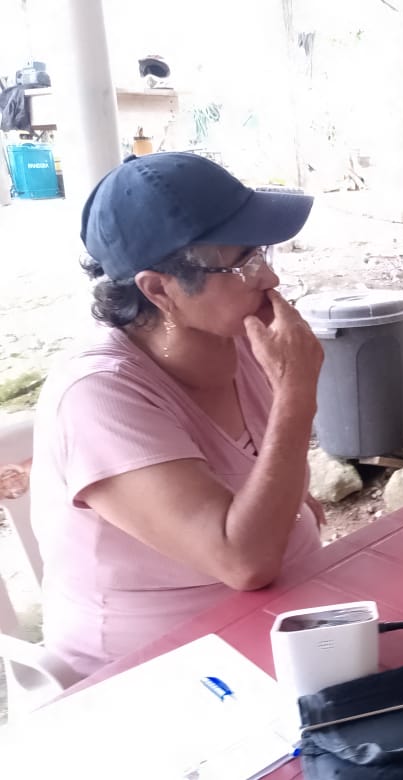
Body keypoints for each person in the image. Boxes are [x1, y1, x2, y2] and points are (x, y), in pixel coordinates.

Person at [31, 152, 326, 678]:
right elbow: (244, 560)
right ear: (159, 289)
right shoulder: (98, 396)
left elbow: (274, 492)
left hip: (279, 623)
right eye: (243, 264)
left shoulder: (245, 344)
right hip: (159, 673)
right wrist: (296, 394)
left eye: (261, 253)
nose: (270, 276)